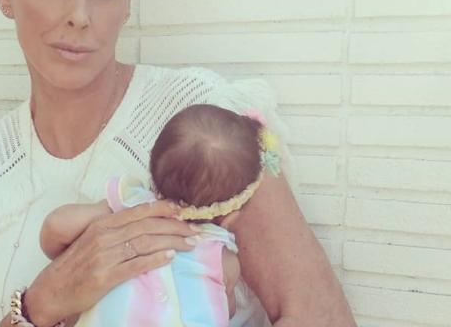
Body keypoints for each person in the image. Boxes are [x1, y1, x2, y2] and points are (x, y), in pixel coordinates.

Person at [0, 0, 357, 326]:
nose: (79, 15)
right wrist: (43, 304)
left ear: (128, 1)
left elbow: (323, 318)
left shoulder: (203, 124)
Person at [40, 104, 281, 326]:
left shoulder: (129, 206)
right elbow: (225, 311)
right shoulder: (222, 259)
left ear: (153, 173)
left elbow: (56, 226)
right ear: (231, 215)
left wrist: (72, 248)